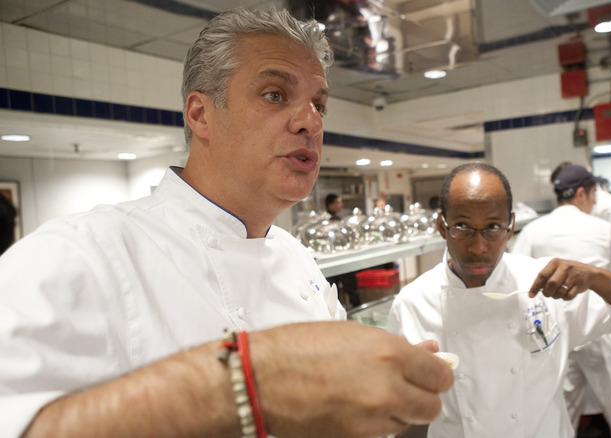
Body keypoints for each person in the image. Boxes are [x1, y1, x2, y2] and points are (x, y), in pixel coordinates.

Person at [0, 8, 453, 438]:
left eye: (319, 104)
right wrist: (248, 381)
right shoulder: (81, 252)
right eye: (275, 94)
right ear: (200, 115)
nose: (310, 121)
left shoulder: (295, 257)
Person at [387, 162, 611, 438]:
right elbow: (396, 416)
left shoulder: (545, 284)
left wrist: (596, 277)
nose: (479, 246)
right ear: (441, 226)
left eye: (493, 227)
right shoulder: (413, 303)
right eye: (462, 226)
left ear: (511, 226)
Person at [510, 163, 611, 438]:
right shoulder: (602, 228)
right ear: (580, 194)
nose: (595, 201)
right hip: (597, 328)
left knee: (562, 407)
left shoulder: (533, 230)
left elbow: (518, 277)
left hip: (550, 330)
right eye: (593, 194)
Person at [324, 192, 361, 308]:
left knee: (335, 293)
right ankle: (355, 310)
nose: (341, 205)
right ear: (330, 205)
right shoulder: (333, 221)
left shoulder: (335, 220)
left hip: (332, 260)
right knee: (350, 288)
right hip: (338, 259)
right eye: (338, 202)